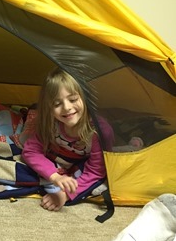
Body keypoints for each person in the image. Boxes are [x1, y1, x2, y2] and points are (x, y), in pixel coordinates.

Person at [21, 67, 114, 211]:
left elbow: (95, 172)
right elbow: (31, 151)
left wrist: (65, 194)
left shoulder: (99, 132)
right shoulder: (50, 122)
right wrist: (54, 177)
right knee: (24, 168)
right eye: (57, 104)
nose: (67, 108)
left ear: (85, 97)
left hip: (81, 159)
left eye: (73, 99)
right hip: (58, 155)